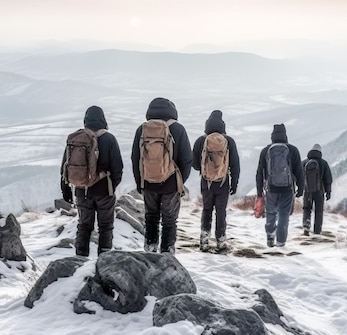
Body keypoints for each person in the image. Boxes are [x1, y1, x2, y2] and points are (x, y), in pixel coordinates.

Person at [131, 97, 192, 254]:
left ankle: (150, 251)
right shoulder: (178, 129)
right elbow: (186, 159)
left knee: (151, 218)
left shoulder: (142, 129)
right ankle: (167, 254)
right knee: (169, 221)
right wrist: (179, 181)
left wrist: (140, 182)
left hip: (149, 183)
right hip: (171, 183)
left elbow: (135, 158)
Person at [60, 105, 123, 257]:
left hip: (82, 190)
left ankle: (79, 260)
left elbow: (65, 166)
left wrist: (66, 189)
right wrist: (111, 186)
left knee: (84, 226)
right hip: (104, 191)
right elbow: (118, 167)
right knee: (106, 227)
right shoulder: (109, 139)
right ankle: (104, 260)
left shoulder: (77, 139)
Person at [192, 110, 240, 252]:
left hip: (206, 182)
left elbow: (194, 164)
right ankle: (221, 242)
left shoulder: (201, 141)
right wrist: (234, 183)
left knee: (207, 210)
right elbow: (235, 165)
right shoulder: (229, 141)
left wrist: (204, 168)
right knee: (220, 212)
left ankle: (204, 241)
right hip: (223, 182)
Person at [255, 123, 304, 247]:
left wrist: (259, 192)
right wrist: (300, 188)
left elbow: (260, 173)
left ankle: (270, 237)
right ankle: (281, 242)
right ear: (285, 135)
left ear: (272, 136)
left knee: (271, 212)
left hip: (271, 188)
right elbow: (299, 171)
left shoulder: (266, 151)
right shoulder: (293, 150)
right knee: (284, 214)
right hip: (287, 188)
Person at [302, 143, 333, 235]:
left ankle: (306, 225)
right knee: (318, 211)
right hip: (319, 191)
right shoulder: (323, 163)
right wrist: (328, 192)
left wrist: (299, 188)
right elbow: (328, 179)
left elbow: (298, 176)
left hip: (307, 191)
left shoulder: (304, 162)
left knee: (307, 209)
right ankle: (317, 230)